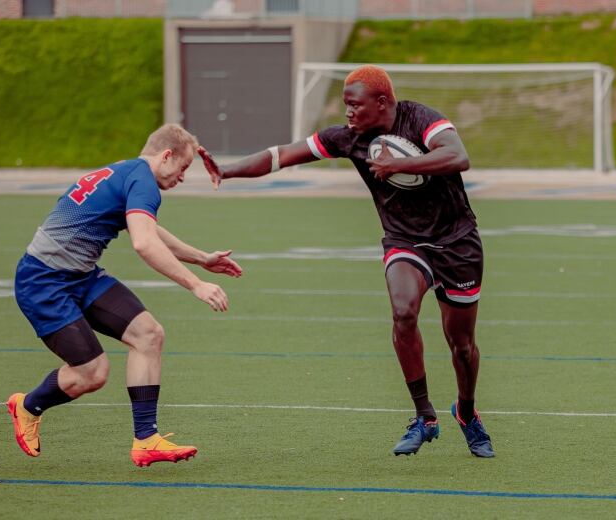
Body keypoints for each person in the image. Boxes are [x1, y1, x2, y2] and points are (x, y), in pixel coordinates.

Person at [198, 65, 494, 458]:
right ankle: (424, 416)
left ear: (382, 102)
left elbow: (458, 156)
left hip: (458, 242)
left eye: (355, 105)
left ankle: (466, 410)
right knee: (403, 312)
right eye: (345, 106)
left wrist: (399, 164)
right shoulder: (348, 138)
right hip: (405, 241)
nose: (348, 113)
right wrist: (228, 170)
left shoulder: (421, 119)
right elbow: (284, 155)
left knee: (461, 346)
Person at [8, 123, 243, 467]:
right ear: (166, 156)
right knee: (92, 374)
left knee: (148, 334)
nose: (182, 177)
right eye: (183, 167)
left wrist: (202, 258)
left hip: (80, 276)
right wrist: (196, 284)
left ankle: (146, 439)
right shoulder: (143, 181)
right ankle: (27, 405)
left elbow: (150, 228)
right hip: (43, 281)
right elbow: (144, 242)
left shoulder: (128, 171)